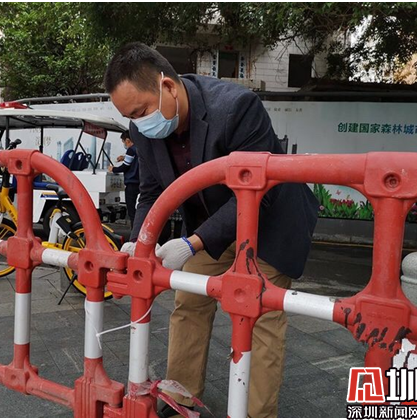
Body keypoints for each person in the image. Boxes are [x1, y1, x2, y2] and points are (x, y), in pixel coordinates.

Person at [104, 42, 319, 418]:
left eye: (140, 111)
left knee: (261, 315)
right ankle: (181, 399)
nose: (139, 124)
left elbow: (258, 193)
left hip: (268, 224)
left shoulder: (236, 107)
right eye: (130, 117)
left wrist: (191, 243)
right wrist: (140, 242)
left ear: (167, 87)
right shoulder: (143, 130)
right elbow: (152, 192)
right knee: (188, 300)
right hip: (211, 227)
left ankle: (256, 414)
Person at [108, 130, 140, 227]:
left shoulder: (131, 150)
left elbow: (125, 167)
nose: (124, 144)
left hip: (131, 183)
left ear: (127, 140)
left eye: (123, 142)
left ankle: (134, 230)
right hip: (140, 182)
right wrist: (124, 157)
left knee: (131, 210)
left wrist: (113, 169)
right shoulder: (139, 148)